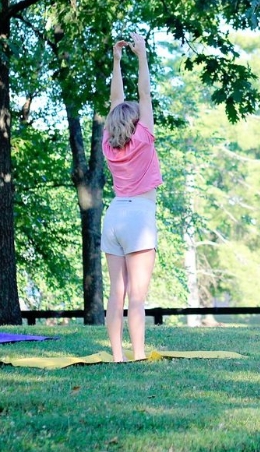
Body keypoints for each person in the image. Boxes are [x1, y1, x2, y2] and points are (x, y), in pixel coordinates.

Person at [102, 32, 162, 361]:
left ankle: (117, 356)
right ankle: (138, 356)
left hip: (113, 217)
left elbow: (116, 101)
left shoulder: (108, 143)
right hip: (139, 216)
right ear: (137, 120)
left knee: (117, 292)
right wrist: (140, 56)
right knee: (137, 297)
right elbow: (144, 92)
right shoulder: (143, 137)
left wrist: (115, 61)